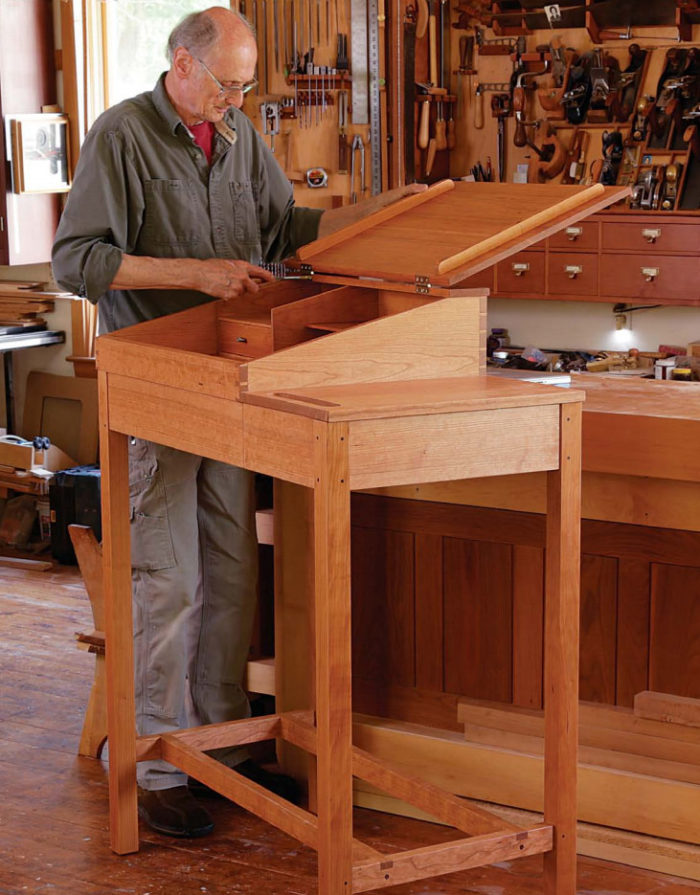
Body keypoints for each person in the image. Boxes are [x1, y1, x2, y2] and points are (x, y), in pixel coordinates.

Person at [52, 6, 424, 839]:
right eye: (227, 84)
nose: (237, 99)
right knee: (168, 576)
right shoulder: (123, 136)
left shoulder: (240, 136)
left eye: (247, 86)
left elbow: (285, 229)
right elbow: (78, 261)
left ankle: (220, 745)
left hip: (233, 376)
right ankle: (152, 761)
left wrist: (376, 214)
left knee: (231, 570)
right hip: (155, 379)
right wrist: (198, 274)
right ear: (181, 63)